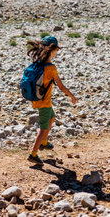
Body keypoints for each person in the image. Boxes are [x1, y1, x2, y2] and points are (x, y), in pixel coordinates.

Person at [26, 36, 78, 166]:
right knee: (43, 128)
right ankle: (33, 154)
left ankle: (44, 142)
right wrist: (71, 95)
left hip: (39, 100)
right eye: (57, 49)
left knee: (52, 117)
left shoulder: (38, 65)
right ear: (51, 50)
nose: (57, 52)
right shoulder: (51, 68)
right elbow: (61, 86)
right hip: (44, 102)